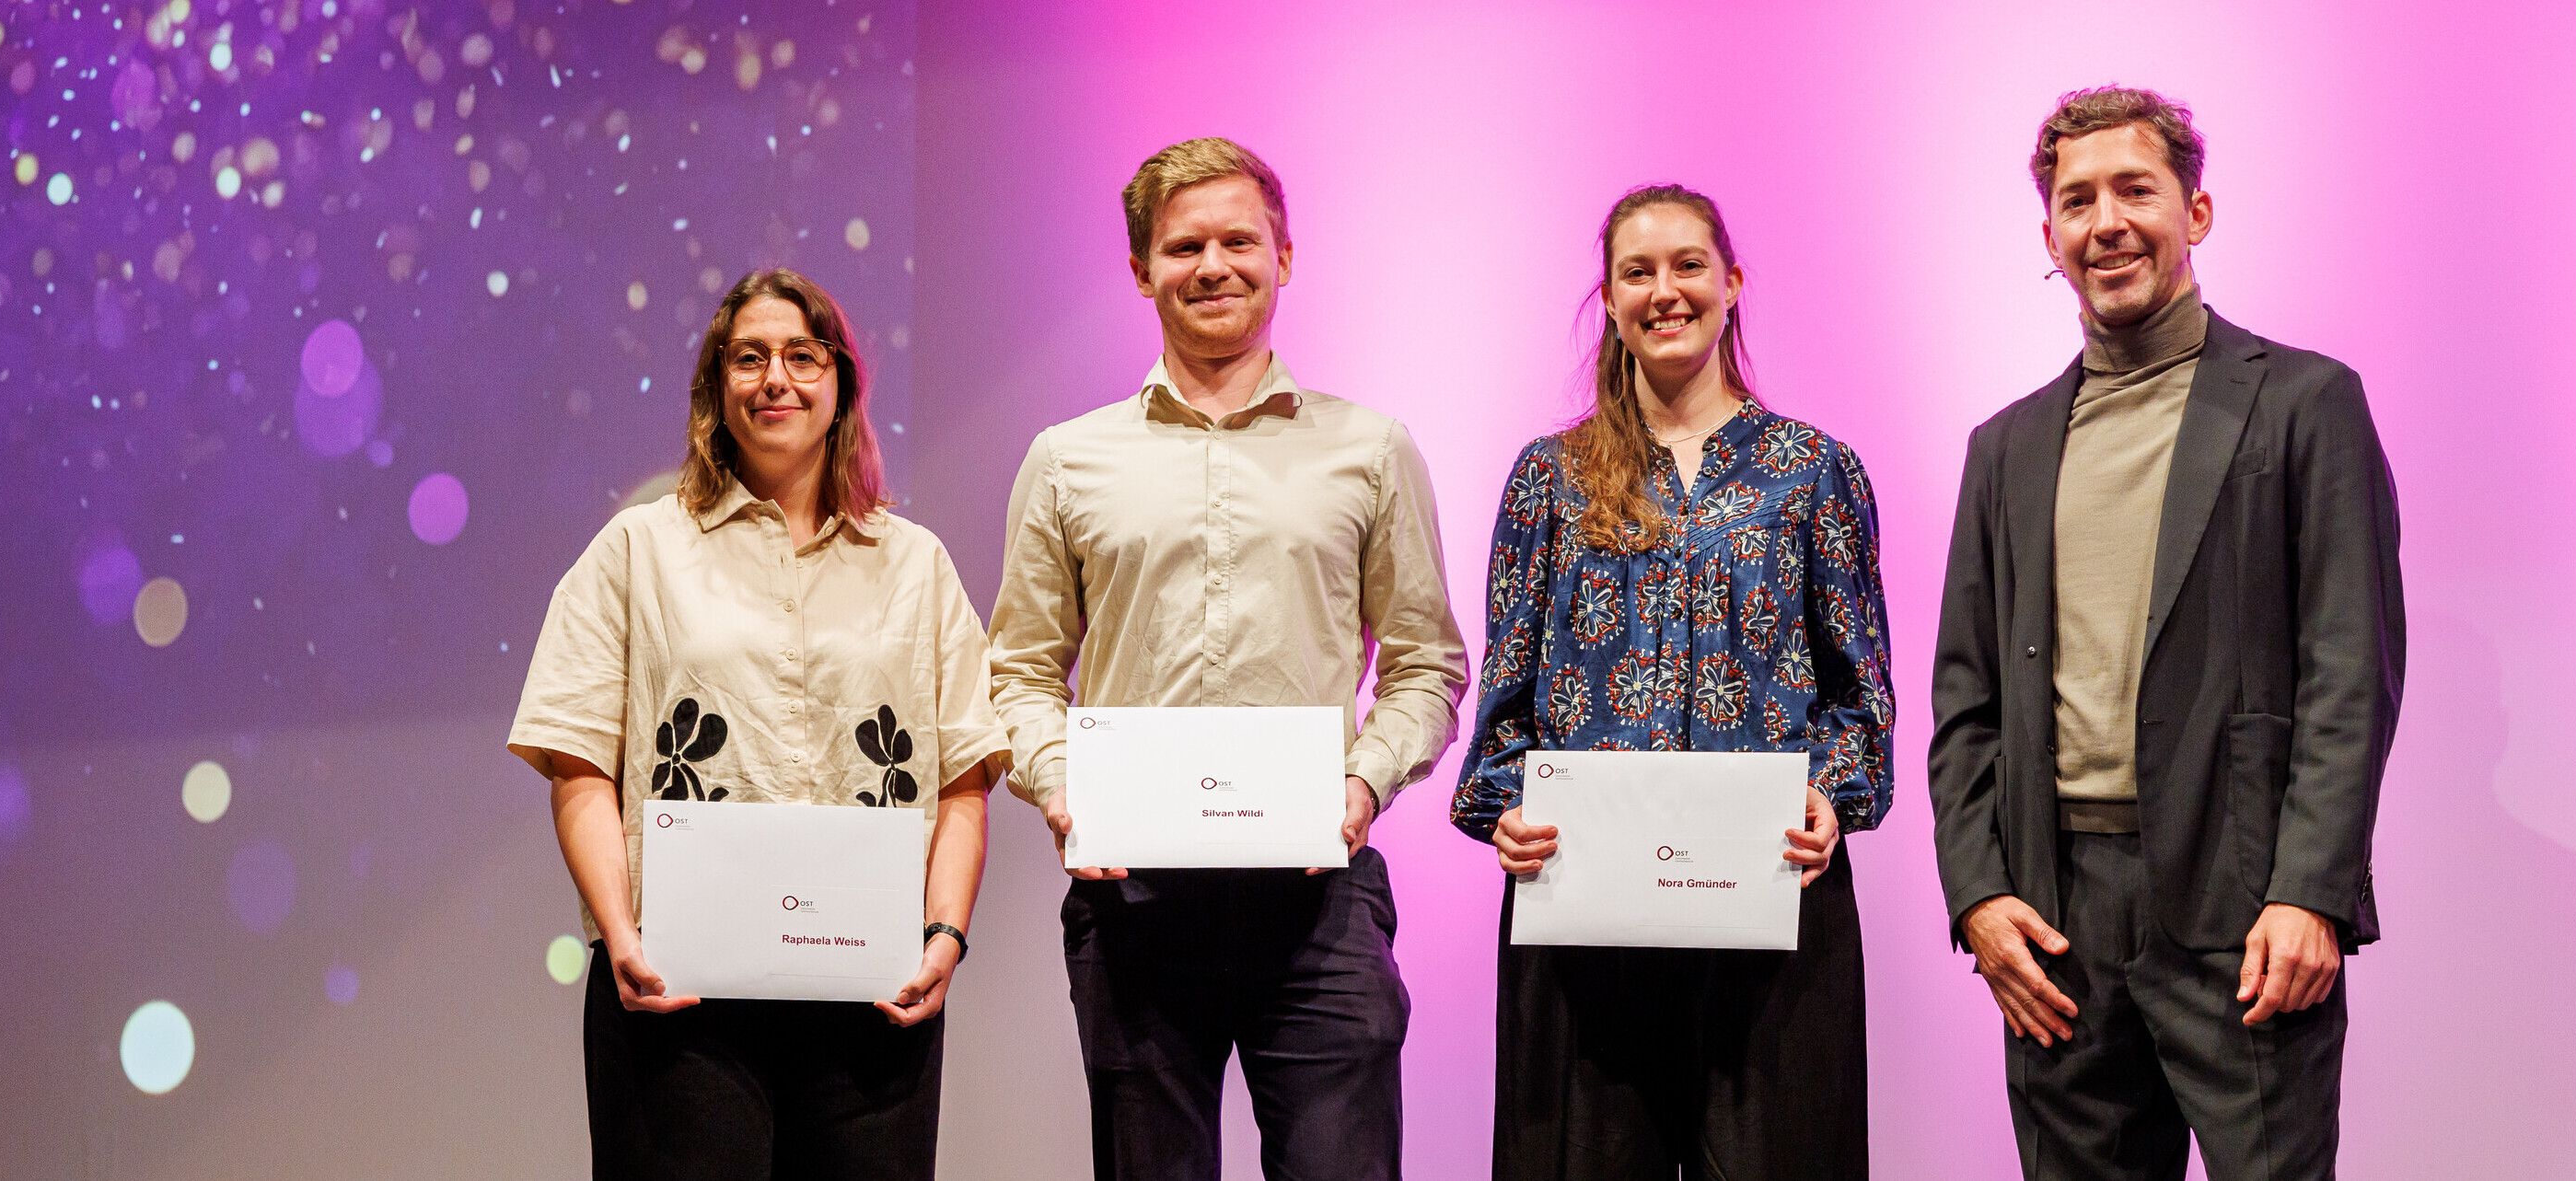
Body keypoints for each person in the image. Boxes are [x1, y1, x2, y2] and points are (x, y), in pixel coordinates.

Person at [1930, 87, 2406, 1180]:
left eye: (2135, 190)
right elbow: (1967, 698)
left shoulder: (2305, 402)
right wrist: (1980, 895)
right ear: (2049, 236)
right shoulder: (2004, 447)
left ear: (2195, 212)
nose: (2107, 222)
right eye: (2078, 200)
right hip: (2057, 923)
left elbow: (2351, 671)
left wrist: (2310, 890)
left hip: (2247, 911)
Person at [985, 137, 1468, 1181]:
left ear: (1283, 256)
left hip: (1318, 896)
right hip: (1136, 901)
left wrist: (1360, 784)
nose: (1214, 266)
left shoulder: (1370, 449)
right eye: (1184, 246)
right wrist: (1064, 789)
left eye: (1239, 242)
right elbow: (1019, 670)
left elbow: (1426, 664)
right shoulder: (1068, 459)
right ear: (1140, 270)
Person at [507, 268, 1010, 1181]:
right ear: (717, 386)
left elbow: (963, 782)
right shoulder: (638, 550)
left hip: (871, 998)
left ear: (841, 382)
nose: (776, 377)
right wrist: (620, 934)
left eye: (802, 355)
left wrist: (945, 933)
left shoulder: (916, 565)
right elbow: (578, 762)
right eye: (749, 357)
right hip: (681, 997)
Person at [1450, 183, 1893, 1180]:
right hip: (1585, 909)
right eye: (1637, 272)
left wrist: (1833, 792)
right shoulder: (1550, 477)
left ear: (1731, 284)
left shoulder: (1814, 470)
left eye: (1688, 265)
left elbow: (1860, 689)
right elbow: (1506, 694)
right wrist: (1507, 806)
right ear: (1609, 301)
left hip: (1774, 898)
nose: (1665, 291)